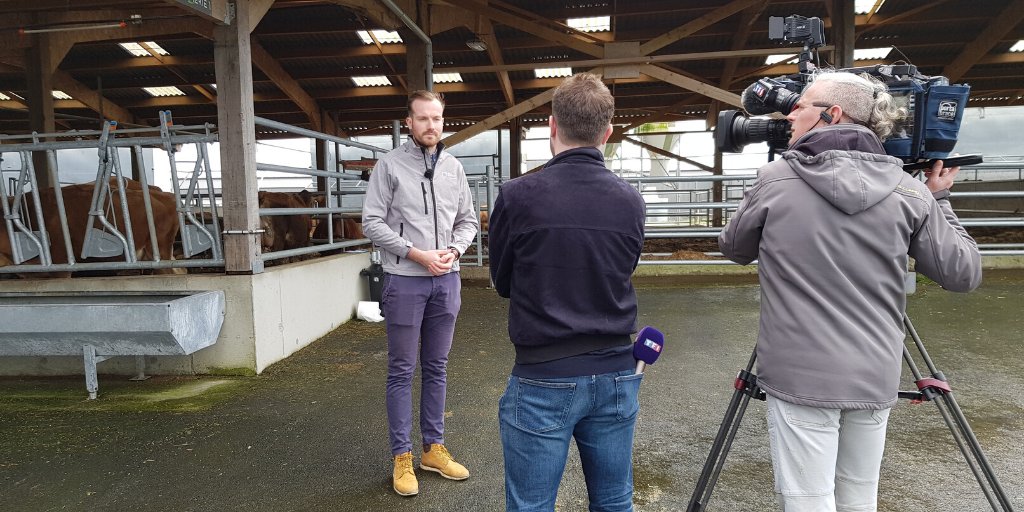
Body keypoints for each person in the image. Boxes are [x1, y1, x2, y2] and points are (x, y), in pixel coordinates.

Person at [718, 71, 982, 511]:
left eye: (799, 106)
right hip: (873, 372)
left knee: (807, 498)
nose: (790, 116)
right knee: (860, 494)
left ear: (831, 114)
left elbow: (733, 247)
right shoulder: (909, 191)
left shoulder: (775, 179)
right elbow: (963, 273)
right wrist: (939, 199)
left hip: (798, 372)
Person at [488, 73, 647, 512]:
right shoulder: (630, 200)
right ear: (608, 132)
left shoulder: (517, 196)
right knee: (615, 500)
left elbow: (502, 281)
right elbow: (623, 269)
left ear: (552, 126)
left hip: (544, 374)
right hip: (617, 371)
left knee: (533, 504)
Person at [362, 90, 479, 497]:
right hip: (405, 279)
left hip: (447, 279)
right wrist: (416, 254)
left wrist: (454, 250)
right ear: (408, 122)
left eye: (438, 119)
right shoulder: (389, 166)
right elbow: (372, 222)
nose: (432, 126)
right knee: (401, 369)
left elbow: (468, 221)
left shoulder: (454, 168)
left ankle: (433, 448)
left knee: (438, 366)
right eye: (423, 119)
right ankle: (402, 456)